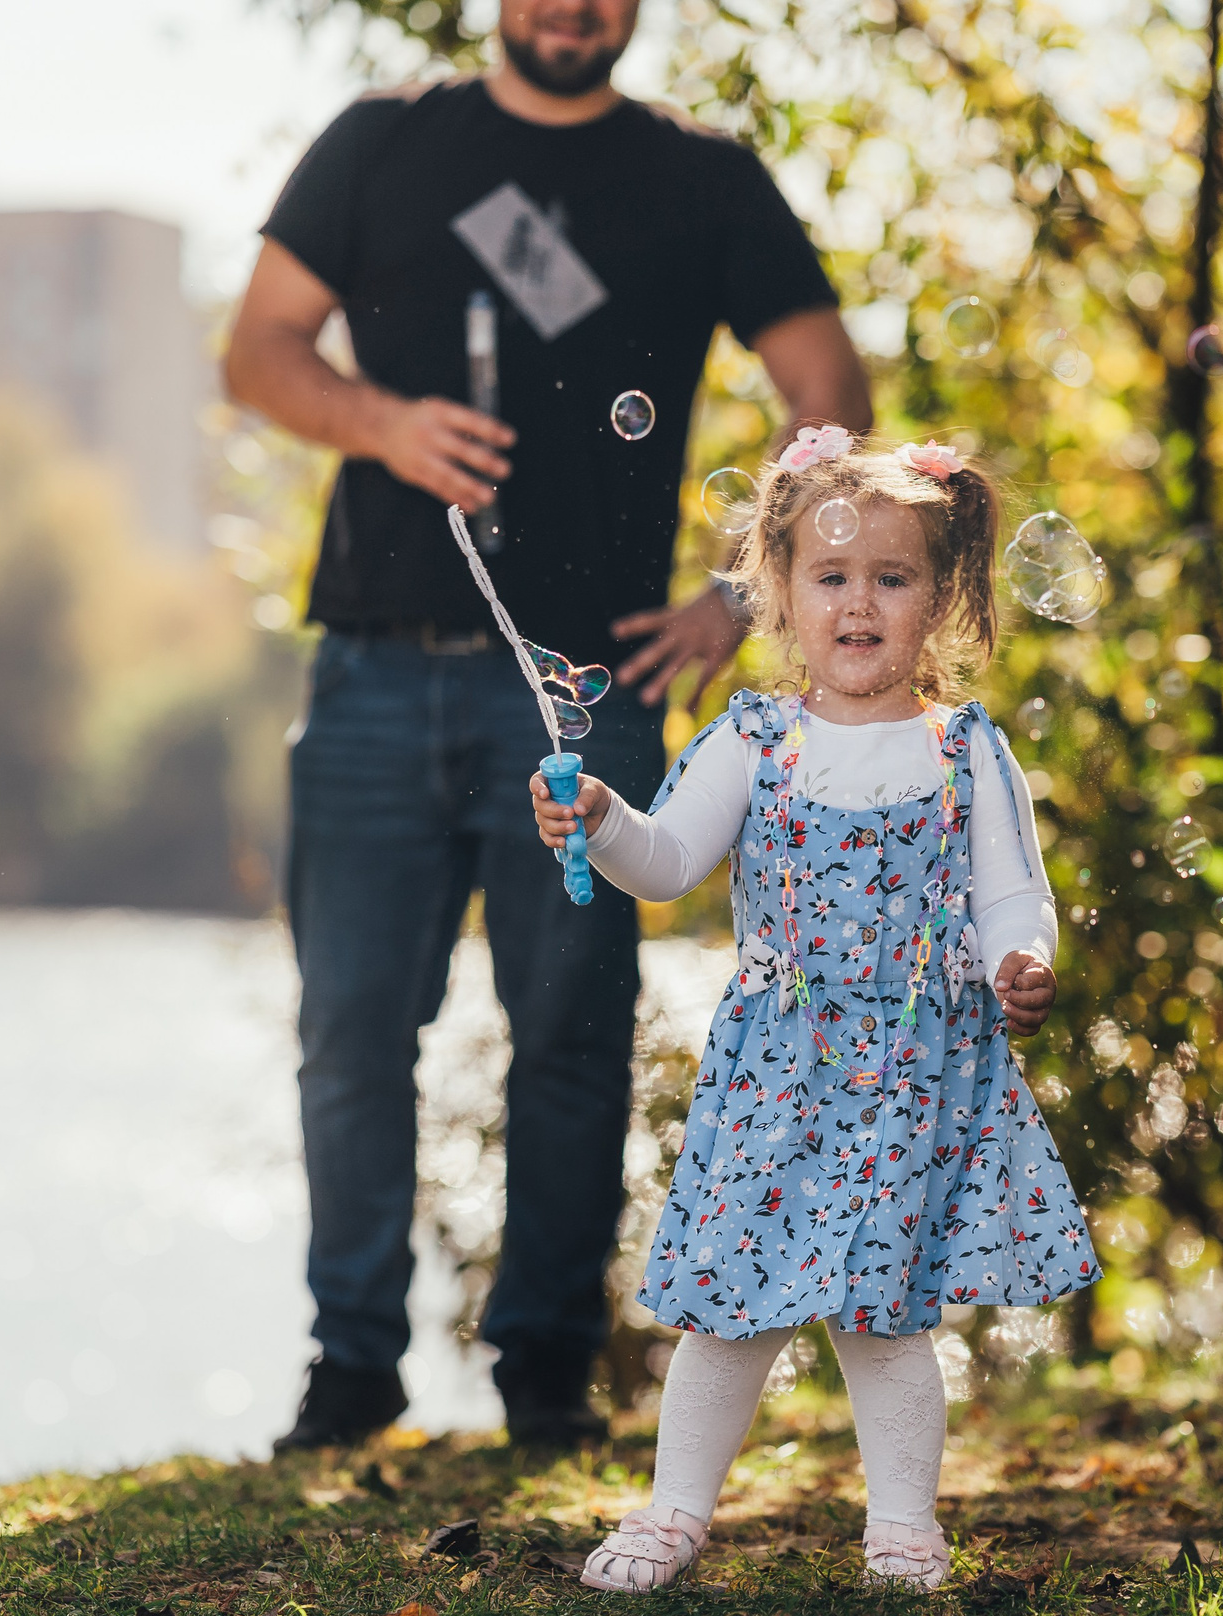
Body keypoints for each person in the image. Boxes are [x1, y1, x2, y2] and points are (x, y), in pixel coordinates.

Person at [223, 0, 872, 1451]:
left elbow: (829, 393)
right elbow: (258, 351)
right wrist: (381, 422)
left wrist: (737, 592)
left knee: (572, 1033)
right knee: (347, 1033)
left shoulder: (703, 178)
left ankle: (548, 1382)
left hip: (586, 689)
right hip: (374, 676)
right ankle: (350, 1376)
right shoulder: (383, 142)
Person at [527, 432, 1099, 1590]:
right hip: (779, 1073)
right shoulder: (752, 741)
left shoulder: (964, 751)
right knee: (731, 1313)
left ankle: (901, 1527)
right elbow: (667, 857)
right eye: (830, 578)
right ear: (779, 596)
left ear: (940, 599)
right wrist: (597, 816)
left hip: (910, 1071)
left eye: (891, 579)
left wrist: (1020, 961)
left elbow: (1008, 893)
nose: (859, 603)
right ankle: (674, 1514)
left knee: (885, 1319)